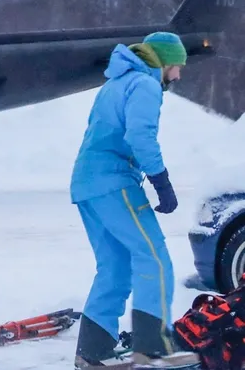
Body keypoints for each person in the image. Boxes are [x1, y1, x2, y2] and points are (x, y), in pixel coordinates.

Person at [69, 32, 200, 369]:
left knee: (114, 268)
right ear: (165, 61)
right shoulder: (144, 84)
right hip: (114, 182)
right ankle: (153, 347)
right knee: (154, 258)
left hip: (86, 184)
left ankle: (92, 352)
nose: (179, 75)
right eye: (178, 67)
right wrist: (161, 180)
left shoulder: (116, 83)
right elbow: (140, 135)